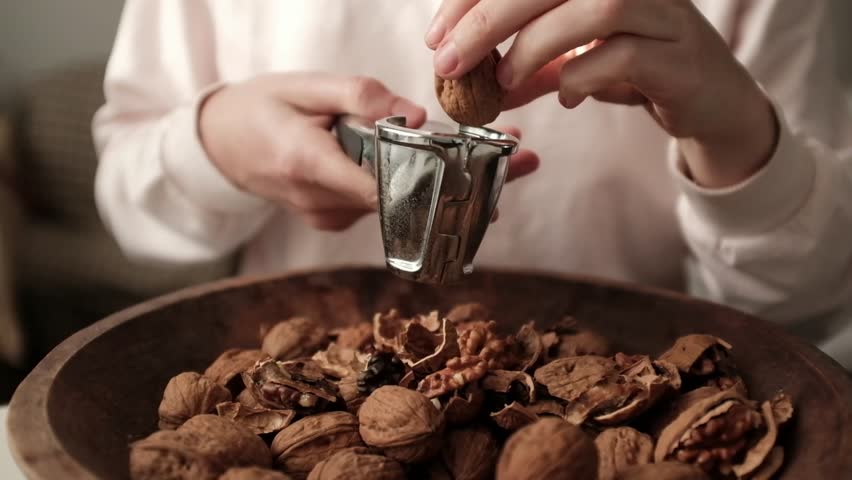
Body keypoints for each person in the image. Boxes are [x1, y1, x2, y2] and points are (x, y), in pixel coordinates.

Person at [93, 1, 852, 368]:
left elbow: (809, 308)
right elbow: (127, 195)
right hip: (320, 388)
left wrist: (737, 135)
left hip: (625, 403)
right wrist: (215, 141)